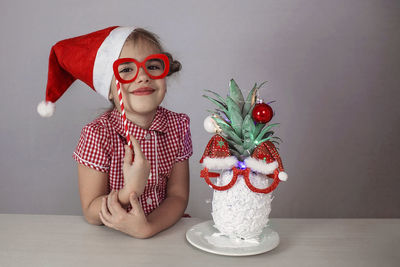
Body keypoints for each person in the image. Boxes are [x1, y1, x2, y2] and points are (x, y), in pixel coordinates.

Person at [37, 26, 192, 238]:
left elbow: (178, 196)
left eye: (153, 65)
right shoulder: (97, 135)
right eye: (127, 69)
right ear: (109, 89)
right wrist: (128, 192)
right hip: (113, 240)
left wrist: (149, 228)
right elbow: (91, 210)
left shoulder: (178, 125)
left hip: (163, 234)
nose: (143, 76)